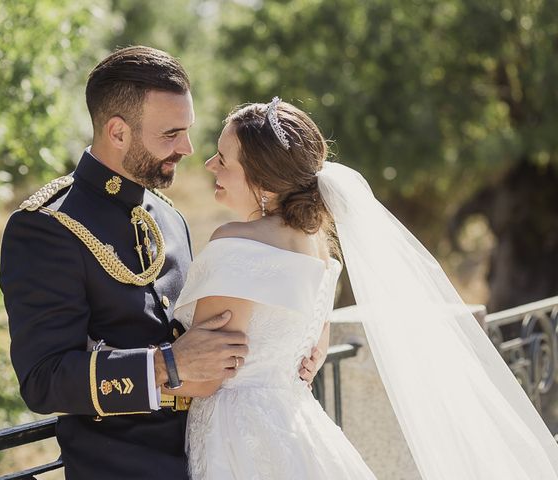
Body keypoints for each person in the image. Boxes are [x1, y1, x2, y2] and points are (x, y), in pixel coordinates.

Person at [169, 98, 558, 479]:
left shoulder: (238, 244)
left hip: (238, 437)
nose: (209, 166)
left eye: (223, 158)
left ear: (263, 179)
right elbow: (311, 349)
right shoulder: (318, 246)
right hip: (296, 424)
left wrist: (137, 373)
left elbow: (204, 377)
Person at [0, 46, 320, 479]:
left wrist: (291, 351)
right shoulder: (47, 227)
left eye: (186, 130)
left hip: (218, 458)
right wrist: (168, 365)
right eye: (171, 134)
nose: (187, 148)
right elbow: (44, 379)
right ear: (117, 132)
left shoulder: (169, 215)